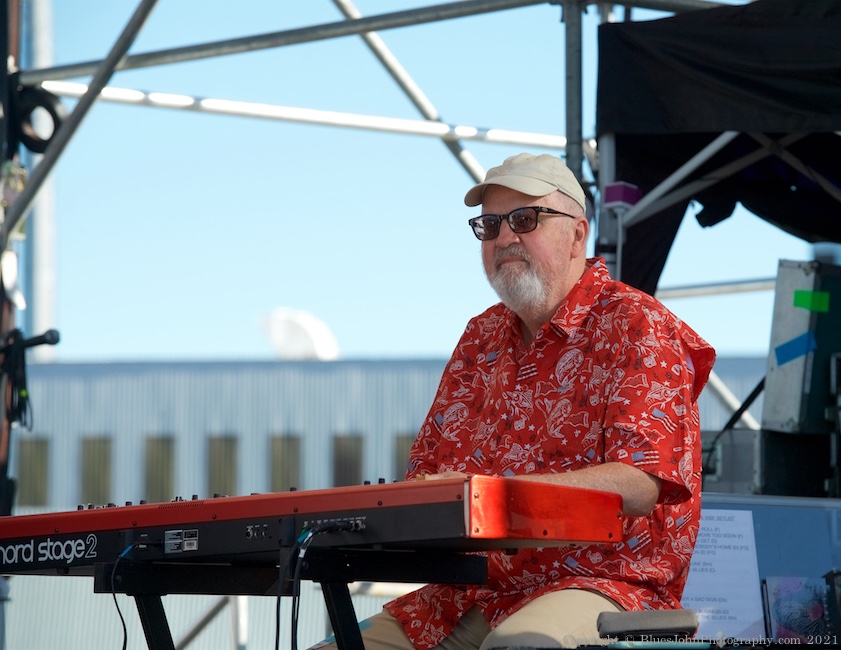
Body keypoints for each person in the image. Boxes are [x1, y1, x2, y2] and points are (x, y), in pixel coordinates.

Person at [313, 153, 715, 650]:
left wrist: (493, 494)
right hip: (466, 595)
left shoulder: (637, 324)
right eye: (489, 225)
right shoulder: (479, 336)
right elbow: (429, 480)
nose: (504, 237)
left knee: (519, 646)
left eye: (525, 219)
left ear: (577, 234)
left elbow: (640, 482)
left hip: (600, 583)